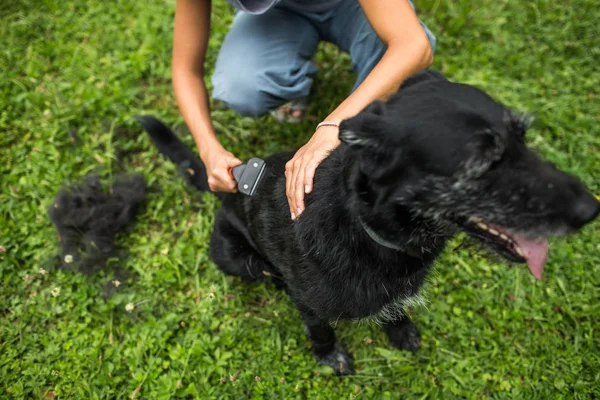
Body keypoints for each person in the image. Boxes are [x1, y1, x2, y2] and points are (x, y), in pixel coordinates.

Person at [172, 0, 436, 220]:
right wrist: (208, 149)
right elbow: (185, 71)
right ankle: (290, 82)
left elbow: (414, 45)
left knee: (397, 63)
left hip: (352, 5)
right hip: (279, 14)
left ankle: (372, 120)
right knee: (241, 86)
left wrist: (334, 125)